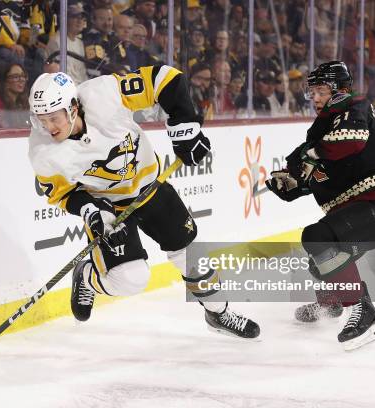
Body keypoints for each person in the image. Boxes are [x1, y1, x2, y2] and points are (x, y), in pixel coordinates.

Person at [27, 65, 260, 339]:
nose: (47, 127)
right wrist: (90, 211)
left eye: (54, 118)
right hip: (109, 209)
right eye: (40, 119)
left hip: (151, 187)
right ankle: (88, 277)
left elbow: (166, 79)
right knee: (131, 280)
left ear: (73, 108)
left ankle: (218, 313)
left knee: (191, 257)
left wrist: (185, 127)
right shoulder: (43, 151)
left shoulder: (105, 93)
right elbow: (63, 194)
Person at [265, 61, 375, 351]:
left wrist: (310, 156)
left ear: (339, 89)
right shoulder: (321, 130)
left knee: (317, 238)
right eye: (312, 92)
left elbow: (349, 143)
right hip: (367, 209)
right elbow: (323, 174)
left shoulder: (354, 105)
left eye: (321, 90)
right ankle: (332, 301)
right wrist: (295, 185)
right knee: (320, 263)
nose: (315, 97)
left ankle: (362, 310)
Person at [0, 62, 30, 128]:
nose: (21, 80)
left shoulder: (25, 103)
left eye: (23, 76)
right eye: (16, 77)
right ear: (5, 82)